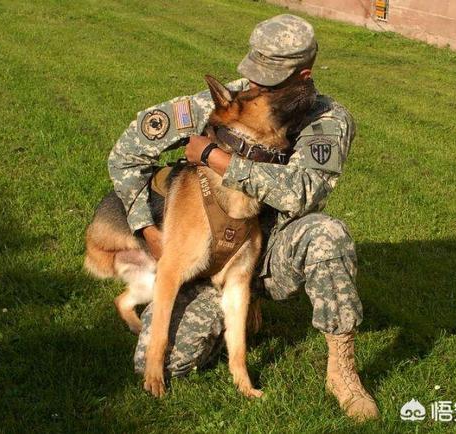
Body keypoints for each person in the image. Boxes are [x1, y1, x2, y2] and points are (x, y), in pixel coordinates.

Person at [107, 14, 379, 421]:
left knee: (327, 234)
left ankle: (342, 372)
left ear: (303, 76)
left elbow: (301, 193)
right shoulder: (229, 101)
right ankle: (216, 306)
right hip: (209, 249)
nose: (254, 87)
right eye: (253, 74)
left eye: (269, 80)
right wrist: (147, 229)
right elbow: (127, 153)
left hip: (270, 255)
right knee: (169, 363)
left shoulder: (327, 121)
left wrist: (217, 158)